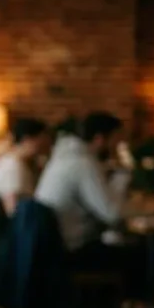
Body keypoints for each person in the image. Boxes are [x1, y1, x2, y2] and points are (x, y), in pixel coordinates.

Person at [33, 111, 125, 264]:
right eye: (116, 140)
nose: (118, 147)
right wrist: (122, 175)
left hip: (53, 248)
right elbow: (113, 214)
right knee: (141, 255)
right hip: (70, 251)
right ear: (100, 139)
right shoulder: (83, 163)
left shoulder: (65, 156)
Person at [0, 117, 50, 216]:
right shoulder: (13, 167)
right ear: (27, 139)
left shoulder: (12, 162)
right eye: (42, 140)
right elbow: (12, 210)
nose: (46, 145)